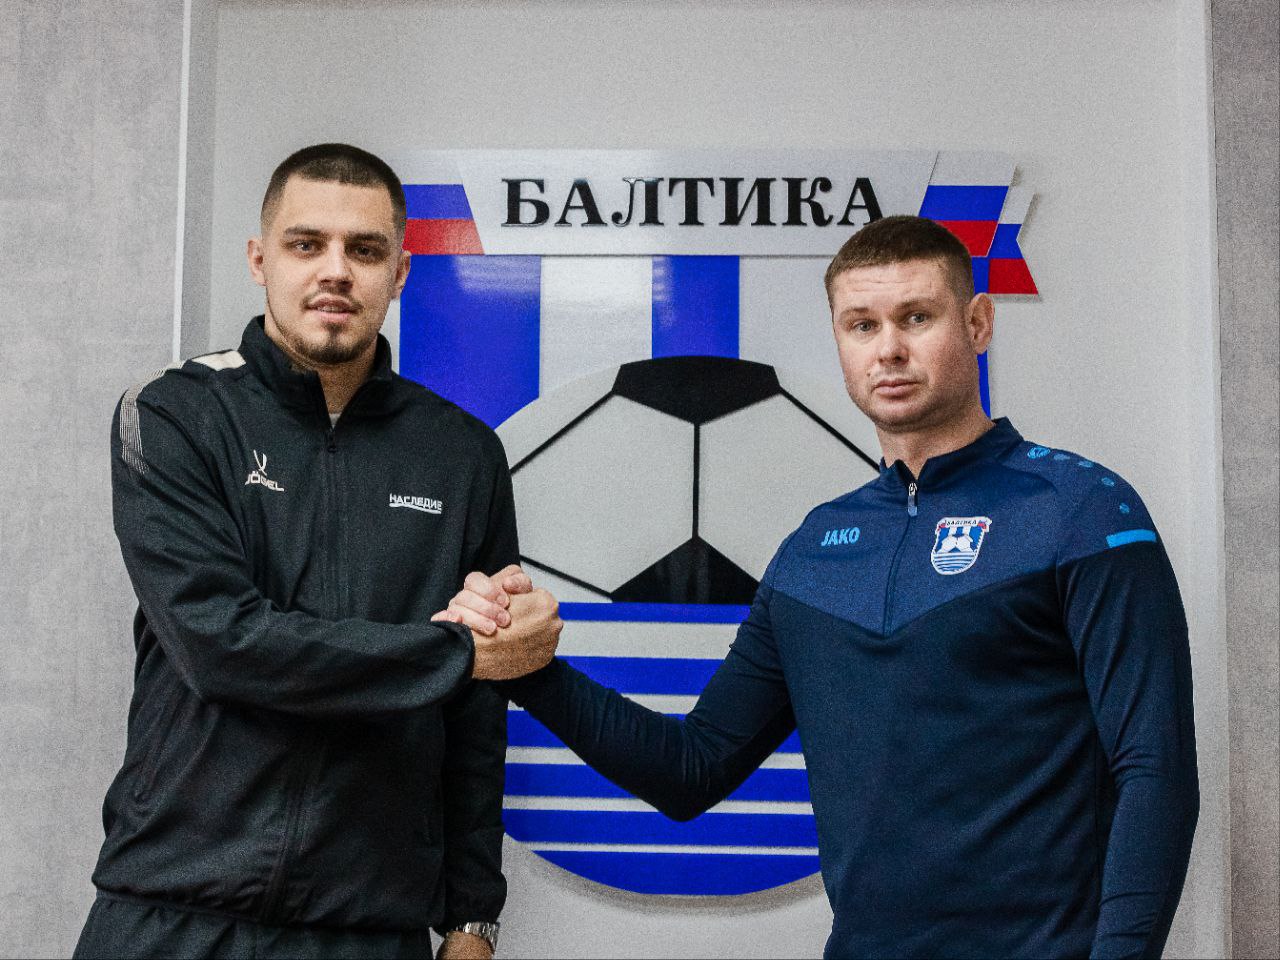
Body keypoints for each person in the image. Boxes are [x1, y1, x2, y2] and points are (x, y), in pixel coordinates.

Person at [444, 216, 1200, 959]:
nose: (890, 349)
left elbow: (1154, 768)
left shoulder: (1082, 510)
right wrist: (528, 671)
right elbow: (690, 768)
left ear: (978, 323)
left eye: (917, 317)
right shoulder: (814, 550)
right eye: (862, 326)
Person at [74, 143, 562, 960]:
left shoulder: (461, 454)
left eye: (364, 250)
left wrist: (473, 915)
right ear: (259, 260)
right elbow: (221, 643)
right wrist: (455, 653)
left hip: (367, 925)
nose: (336, 270)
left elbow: (476, 715)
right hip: (172, 911)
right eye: (307, 244)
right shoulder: (173, 415)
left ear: (400, 273)